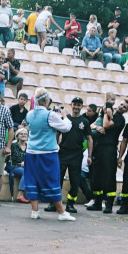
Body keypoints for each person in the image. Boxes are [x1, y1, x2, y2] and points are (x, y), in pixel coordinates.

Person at [22, 89, 77, 221]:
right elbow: (65, 128)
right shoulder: (50, 115)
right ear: (46, 101)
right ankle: (62, 212)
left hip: (31, 152)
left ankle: (35, 211)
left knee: (32, 180)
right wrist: (65, 116)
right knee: (52, 181)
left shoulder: (29, 114)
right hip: (47, 153)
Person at [48, 97, 93, 215]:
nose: (76, 107)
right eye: (75, 104)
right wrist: (55, 148)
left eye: (79, 105)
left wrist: (89, 155)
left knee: (75, 181)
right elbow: (57, 134)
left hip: (77, 154)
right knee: (57, 179)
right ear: (71, 105)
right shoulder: (65, 119)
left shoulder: (85, 121)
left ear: (81, 107)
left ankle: (70, 204)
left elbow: (89, 138)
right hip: (63, 152)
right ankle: (54, 203)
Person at [88, 99, 128, 213]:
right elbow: (90, 125)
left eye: (125, 107)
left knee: (109, 177)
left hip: (109, 149)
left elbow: (106, 125)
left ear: (127, 110)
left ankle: (109, 204)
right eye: (121, 104)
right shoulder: (107, 114)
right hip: (98, 148)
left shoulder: (120, 119)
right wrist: (96, 127)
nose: (121, 107)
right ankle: (97, 203)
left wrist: (106, 112)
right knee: (96, 177)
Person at [7, 129, 28, 202]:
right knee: (26, 172)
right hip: (15, 166)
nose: (23, 135)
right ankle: (20, 195)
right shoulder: (14, 145)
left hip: (27, 166)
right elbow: (15, 157)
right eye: (21, 134)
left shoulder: (29, 146)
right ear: (17, 136)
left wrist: (26, 163)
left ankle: (31, 195)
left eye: (25, 134)